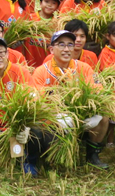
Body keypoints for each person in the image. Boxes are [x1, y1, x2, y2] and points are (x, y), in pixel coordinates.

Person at [31, 30, 110, 169]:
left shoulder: (83, 68)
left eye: (70, 45)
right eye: (61, 44)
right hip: (55, 118)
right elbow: (36, 98)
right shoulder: (41, 71)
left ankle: (92, 155)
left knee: (104, 114)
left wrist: (83, 101)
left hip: (81, 114)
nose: (66, 49)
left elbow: (98, 90)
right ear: (51, 49)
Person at [22, 0, 61, 68]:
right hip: (29, 63)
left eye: (54, 3)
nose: (50, 5)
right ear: (40, 3)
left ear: (57, 8)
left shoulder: (57, 24)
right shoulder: (29, 18)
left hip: (47, 65)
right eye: (46, 2)